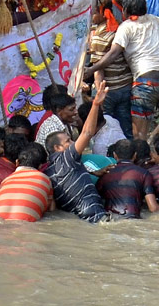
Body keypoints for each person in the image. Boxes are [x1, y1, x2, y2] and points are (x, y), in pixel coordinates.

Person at [86, 0, 159, 138]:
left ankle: (141, 156)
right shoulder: (153, 19)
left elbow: (113, 53)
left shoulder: (126, 27)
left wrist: (92, 69)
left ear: (125, 10)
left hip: (147, 80)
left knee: (139, 130)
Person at [42, 82, 110, 223]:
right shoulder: (66, 158)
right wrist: (96, 104)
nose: (72, 143)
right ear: (58, 148)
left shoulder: (49, 173)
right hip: (95, 216)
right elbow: (87, 132)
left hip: (81, 219)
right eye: (68, 141)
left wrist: (90, 172)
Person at [97, 138, 159, 218]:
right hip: (133, 218)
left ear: (115, 155)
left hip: (111, 219)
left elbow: (97, 197)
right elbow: (153, 208)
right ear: (135, 155)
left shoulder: (106, 173)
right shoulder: (143, 173)